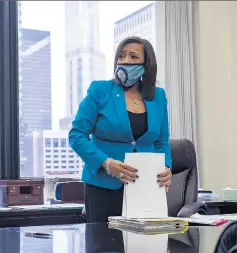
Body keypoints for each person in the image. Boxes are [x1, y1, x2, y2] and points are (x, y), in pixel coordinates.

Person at [69, 36, 172, 223]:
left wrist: (167, 166)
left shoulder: (158, 96)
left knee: (145, 247)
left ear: (146, 64)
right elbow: (77, 135)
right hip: (104, 187)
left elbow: (161, 141)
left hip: (145, 186)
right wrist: (107, 163)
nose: (125, 61)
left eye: (133, 57)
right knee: (104, 247)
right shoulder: (100, 91)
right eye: (121, 56)